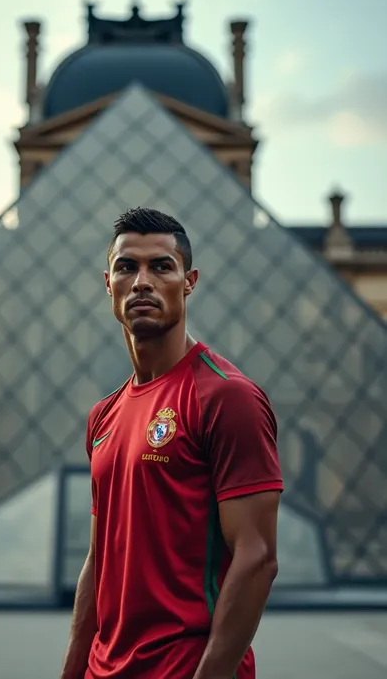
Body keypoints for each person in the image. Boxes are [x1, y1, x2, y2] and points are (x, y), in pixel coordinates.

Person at [60, 207, 283, 679]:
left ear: (189, 280)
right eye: (127, 266)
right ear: (108, 283)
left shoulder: (226, 396)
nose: (142, 280)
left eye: (161, 266)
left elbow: (257, 557)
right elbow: (101, 558)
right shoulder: (103, 416)